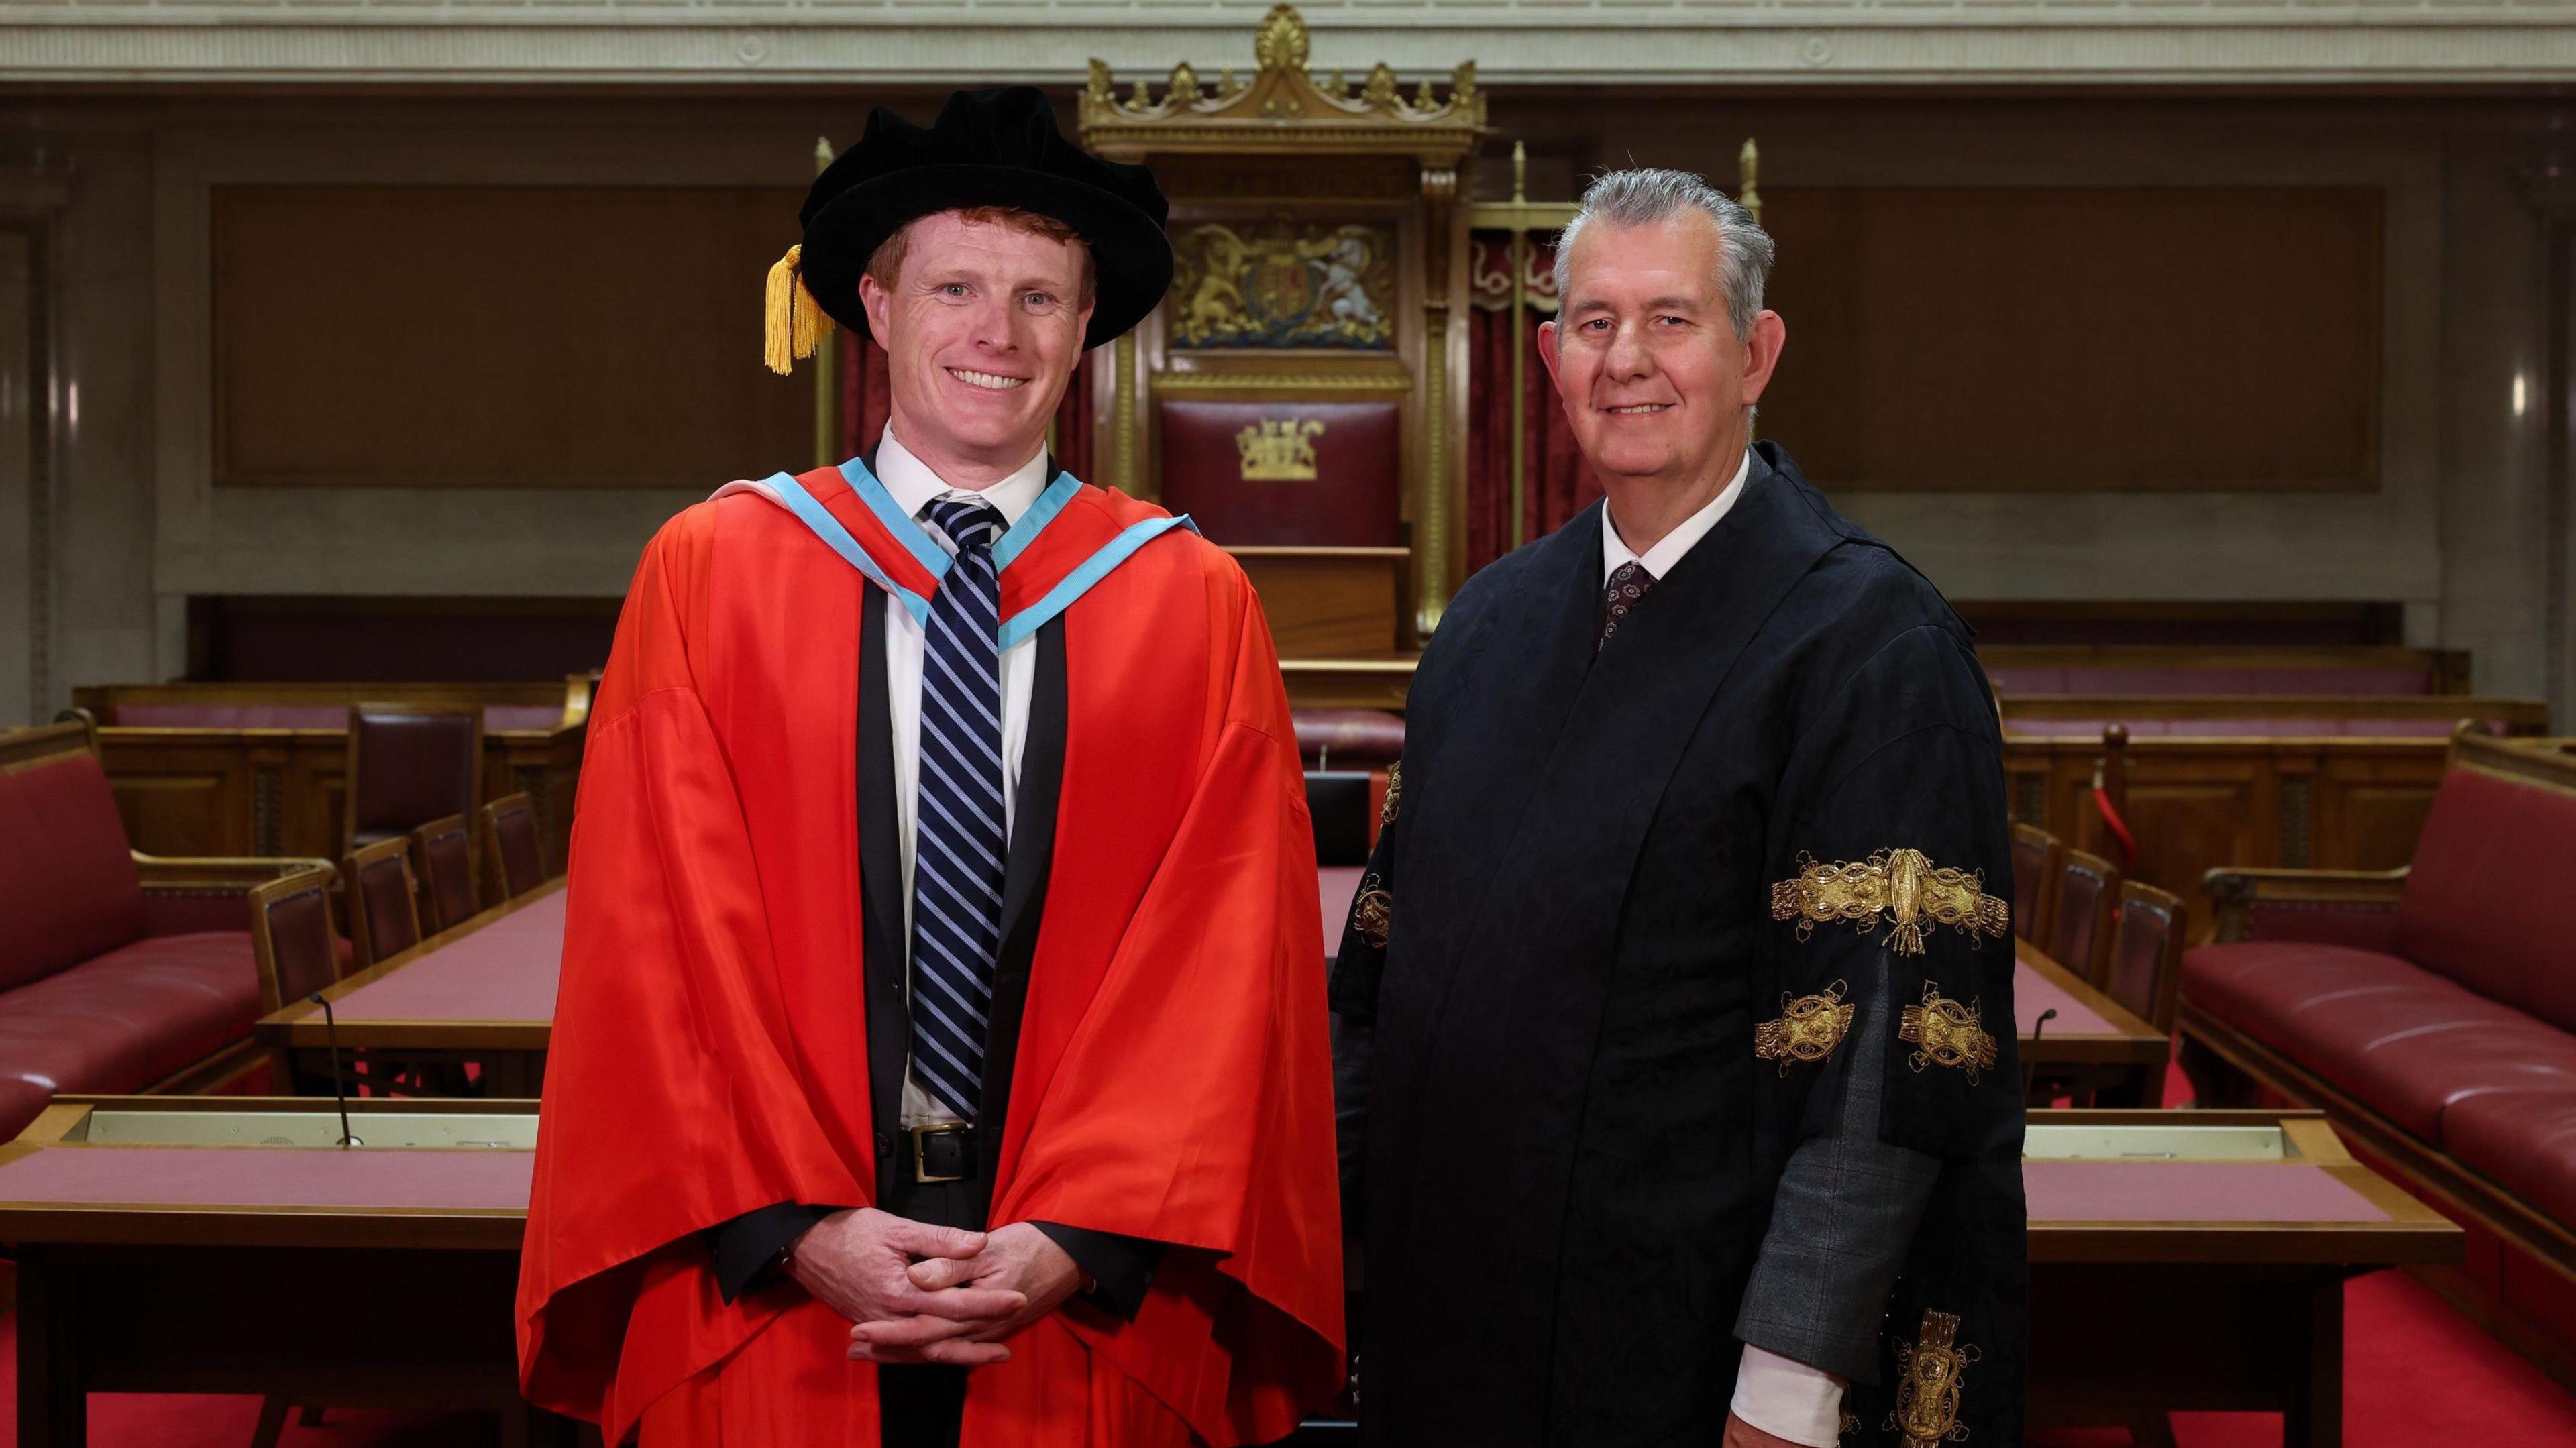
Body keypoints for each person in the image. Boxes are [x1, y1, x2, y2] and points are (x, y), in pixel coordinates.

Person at [517, 87, 1344, 1448]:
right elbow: (654, 943)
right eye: (955, 285)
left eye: (1038, 297)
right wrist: (797, 1224)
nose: (994, 334)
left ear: (1086, 331)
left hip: (1075, 1284)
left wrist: (1074, 1234)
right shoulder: (711, 575)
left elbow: (1226, 954)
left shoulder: (1191, 602)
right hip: (779, 1284)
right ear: (876, 306)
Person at [1330, 168, 2028, 1448]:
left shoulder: (1869, 643)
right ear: (1548, 357)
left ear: (1755, 354)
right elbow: (1388, 977)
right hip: (1451, 1328)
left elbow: (1885, 1055)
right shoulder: (1488, 625)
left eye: (1671, 320)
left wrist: (1790, 1385)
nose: (1625, 361)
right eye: (1594, 323)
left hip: (1690, 1355)